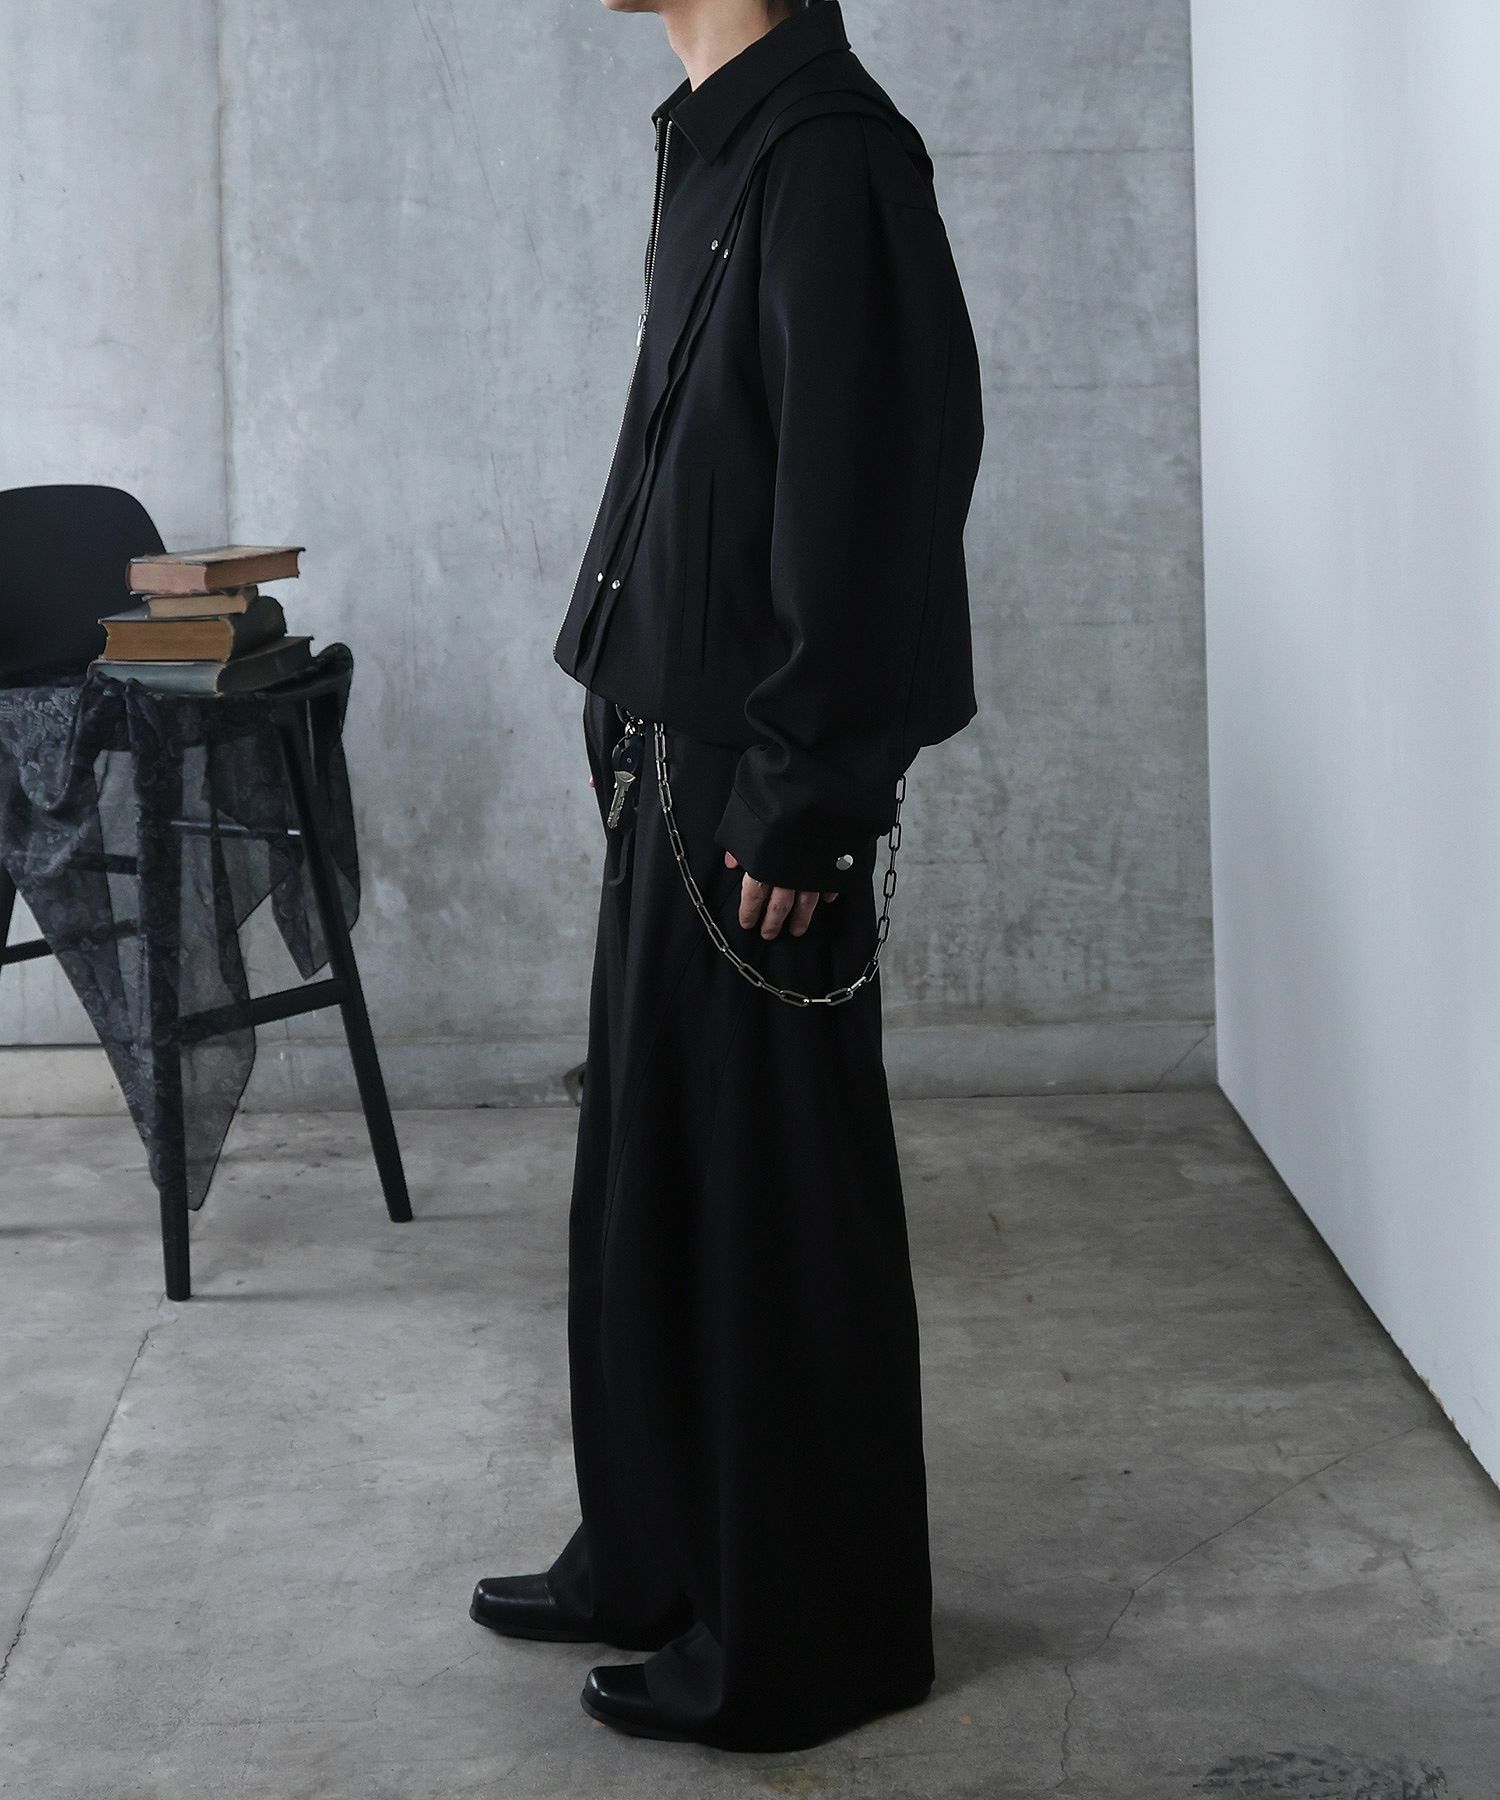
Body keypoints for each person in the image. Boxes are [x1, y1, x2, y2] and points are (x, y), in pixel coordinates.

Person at [470, 0, 983, 1753]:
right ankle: (653, 1555)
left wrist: (814, 782)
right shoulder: (718, 139)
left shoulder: (831, 155)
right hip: (668, 746)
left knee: (774, 1219)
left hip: (758, 775)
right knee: (649, 1191)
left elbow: (878, 486)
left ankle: (814, 1641)